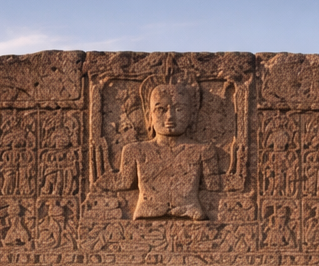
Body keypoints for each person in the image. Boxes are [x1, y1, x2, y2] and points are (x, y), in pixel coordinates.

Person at [96, 82, 225, 220]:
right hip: (145, 217)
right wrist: (99, 160)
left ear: (192, 115)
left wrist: (241, 165)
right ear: (149, 116)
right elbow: (122, 182)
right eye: (161, 110)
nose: (170, 116)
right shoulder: (135, 151)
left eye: (179, 109)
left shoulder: (203, 151)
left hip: (192, 214)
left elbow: (214, 184)